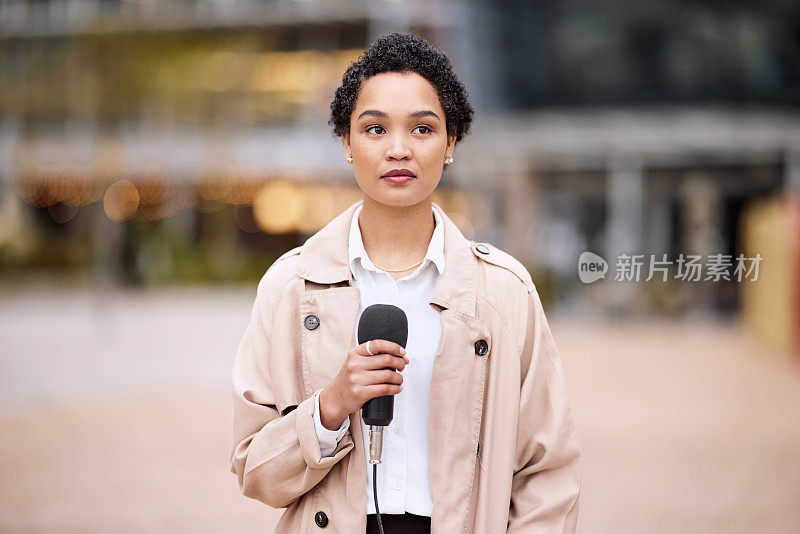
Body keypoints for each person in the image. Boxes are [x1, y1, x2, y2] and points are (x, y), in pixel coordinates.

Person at [229, 32, 581, 534]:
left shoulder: (504, 292)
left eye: (422, 129)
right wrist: (330, 408)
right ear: (347, 143)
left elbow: (548, 471)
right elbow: (254, 471)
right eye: (374, 129)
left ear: (451, 142)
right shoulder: (291, 286)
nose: (398, 150)